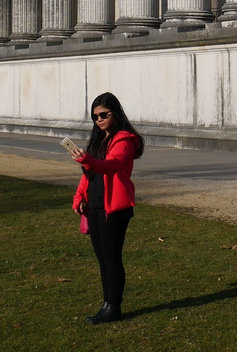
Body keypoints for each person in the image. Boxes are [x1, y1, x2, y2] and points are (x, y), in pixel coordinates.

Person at [69, 92, 144, 324]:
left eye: (104, 115)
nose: (99, 120)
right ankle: (107, 304)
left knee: (112, 257)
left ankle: (114, 306)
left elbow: (111, 166)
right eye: (95, 117)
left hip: (115, 207)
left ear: (116, 113)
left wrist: (86, 160)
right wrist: (79, 195)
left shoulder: (125, 140)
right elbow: (90, 175)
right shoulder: (99, 140)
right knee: (102, 257)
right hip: (96, 204)